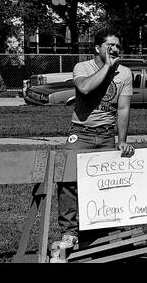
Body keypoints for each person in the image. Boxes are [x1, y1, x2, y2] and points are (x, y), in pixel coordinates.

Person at [56, 30, 135, 249]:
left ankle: (99, 229)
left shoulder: (126, 74)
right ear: (96, 48)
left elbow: (123, 108)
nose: (115, 49)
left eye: (117, 45)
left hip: (107, 134)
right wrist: (108, 66)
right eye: (110, 45)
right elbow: (85, 88)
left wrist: (122, 140)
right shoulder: (83, 67)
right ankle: (69, 231)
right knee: (68, 180)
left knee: (105, 184)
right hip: (81, 132)